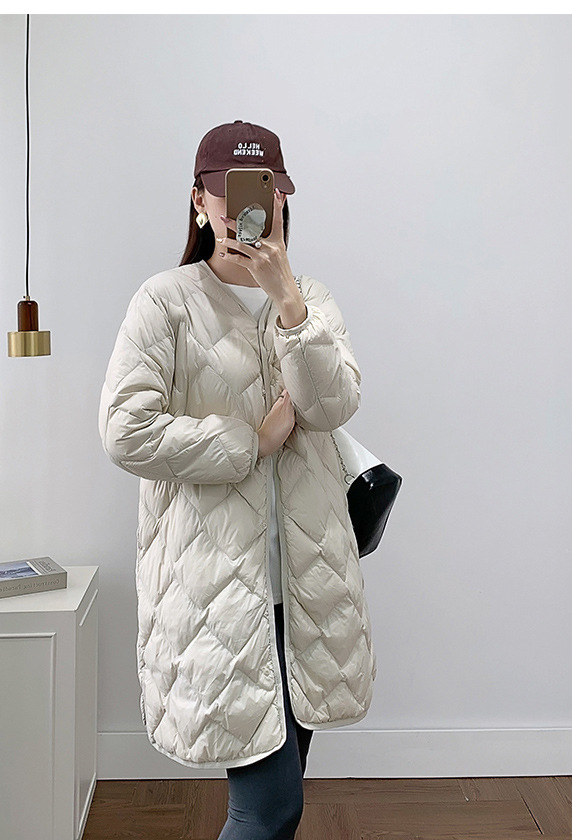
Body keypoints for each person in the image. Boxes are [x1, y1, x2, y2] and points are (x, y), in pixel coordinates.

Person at [99, 120, 377, 840]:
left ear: (281, 200)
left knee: (281, 803)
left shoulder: (310, 300)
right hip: (216, 590)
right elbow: (125, 430)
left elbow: (332, 406)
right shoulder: (165, 301)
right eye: (225, 192)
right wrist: (247, 444)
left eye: (260, 192)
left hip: (307, 585)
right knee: (269, 807)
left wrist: (288, 303)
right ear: (199, 201)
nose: (242, 208)